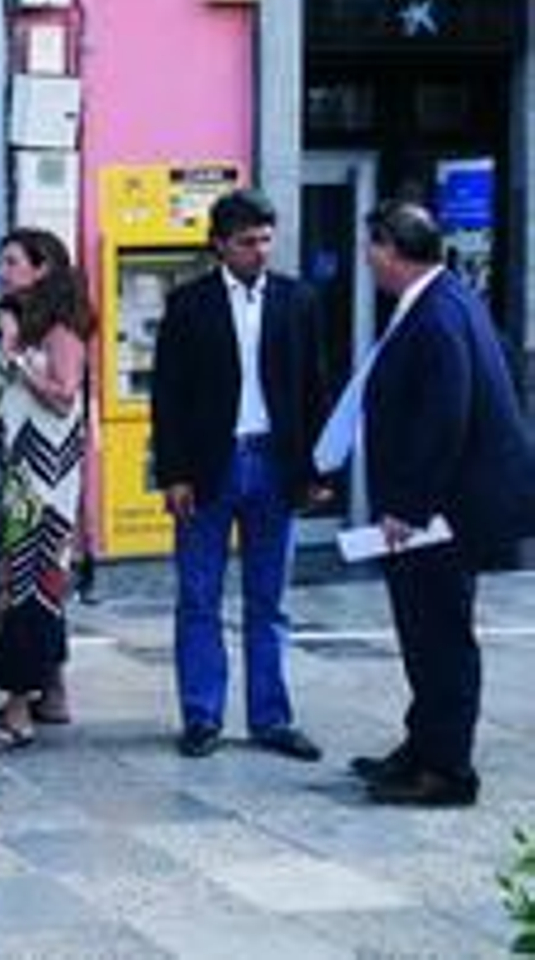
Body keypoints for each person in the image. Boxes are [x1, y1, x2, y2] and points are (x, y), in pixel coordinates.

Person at [327, 201, 535, 806]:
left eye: (372, 246)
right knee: (425, 634)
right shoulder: (446, 297)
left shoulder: (438, 314)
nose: (367, 258)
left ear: (391, 248)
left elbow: (445, 415)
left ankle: (446, 772)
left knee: (439, 637)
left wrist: (409, 507)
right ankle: (422, 747)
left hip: (444, 514)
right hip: (447, 506)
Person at [151, 188, 327, 761]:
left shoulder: (297, 301)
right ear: (220, 245)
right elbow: (168, 396)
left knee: (269, 599)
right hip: (209, 466)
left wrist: (317, 470)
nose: (260, 251)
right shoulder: (189, 304)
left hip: (274, 463)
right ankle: (202, 715)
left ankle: (271, 718)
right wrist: (173, 473)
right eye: (248, 242)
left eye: (266, 240)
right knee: (198, 597)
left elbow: (313, 389)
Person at [0, 228, 94, 753]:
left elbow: (64, 398)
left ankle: (19, 708)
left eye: (14, 261)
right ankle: (53, 693)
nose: (4, 270)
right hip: (15, 472)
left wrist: (16, 356)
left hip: (40, 480)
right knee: (36, 582)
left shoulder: (60, 329)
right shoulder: (23, 324)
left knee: (24, 584)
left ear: (43, 269)